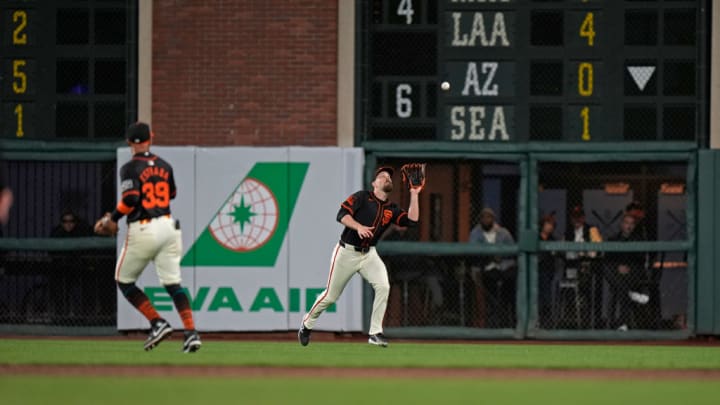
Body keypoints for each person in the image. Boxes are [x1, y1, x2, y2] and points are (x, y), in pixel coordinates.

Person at [93, 122, 201, 353]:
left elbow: (131, 199)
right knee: (173, 284)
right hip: (169, 227)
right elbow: (171, 194)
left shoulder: (131, 167)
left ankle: (157, 322)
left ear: (129, 142)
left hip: (144, 228)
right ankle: (191, 332)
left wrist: (111, 218)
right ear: (151, 137)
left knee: (124, 280)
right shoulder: (165, 165)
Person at [298, 166, 421, 347]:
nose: (387, 178)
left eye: (389, 177)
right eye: (382, 176)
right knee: (331, 296)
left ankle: (375, 333)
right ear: (374, 184)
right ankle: (306, 324)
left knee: (383, 286)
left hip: (369, 254)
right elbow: (341, 215)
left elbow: (412, 220)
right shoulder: (363, 197)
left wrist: (415, 193)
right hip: (346, 252)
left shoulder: (391, 208)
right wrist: (358, 227)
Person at [468, 207, 516, 328]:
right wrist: (489, 257)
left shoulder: (503, 232)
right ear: (480, 219)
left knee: (510, 282)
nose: (486, 220)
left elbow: (512, 250)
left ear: (493, 219)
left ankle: (508, 320)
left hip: (504, 267)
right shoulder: (475, 233)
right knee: (490, 286)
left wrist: (501, 255)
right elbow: (473, 252)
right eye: (484, 217)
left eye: (489, 217)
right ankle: (491, 322)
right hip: (486, 268)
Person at [605, 213, 649, 331]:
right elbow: (608, 259)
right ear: (621, 224)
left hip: (632, 274)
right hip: (617, 275)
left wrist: (628, 267)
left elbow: (641, 260)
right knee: (607, 269)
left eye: (631, 224)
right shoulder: (613, 240)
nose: (628, 226)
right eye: (626, 223)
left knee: (622, 287)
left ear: (634, 226)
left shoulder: (639, 240)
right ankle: (630, 295)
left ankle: (622, 322)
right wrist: (618, 267)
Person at [563, 205, 603, 328]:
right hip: (572, 267)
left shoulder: (591, 229)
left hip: (588, 267)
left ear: (584, 218)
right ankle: (570, 320)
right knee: (569, 287)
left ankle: (591, 320)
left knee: (589, 284)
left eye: (579, 217)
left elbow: (598, 248)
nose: (576, 220)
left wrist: (584, 251)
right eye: (574, 217)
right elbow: (563, 250)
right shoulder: (568, 232)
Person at [50, 210, 93, 318]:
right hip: (60, 270)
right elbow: (51, 251)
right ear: (61, 222)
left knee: (79, 293)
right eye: (65, 221)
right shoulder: (57, 233)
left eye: (71, 221)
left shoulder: (80, 233)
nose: (68, 224)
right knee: (60, 293)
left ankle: (80, 316)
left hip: (76, 269)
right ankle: (60, 316)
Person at [537, 214, 559, 328]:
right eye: (547, 224)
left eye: (552, 225)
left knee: (547, 296)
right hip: (537, 272)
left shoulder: (553, 240)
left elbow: (556, 255)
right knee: (540, 297)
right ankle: (537, 320)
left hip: (549, 272)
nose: (549, 227)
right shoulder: (536, 238)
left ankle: (546, 321)